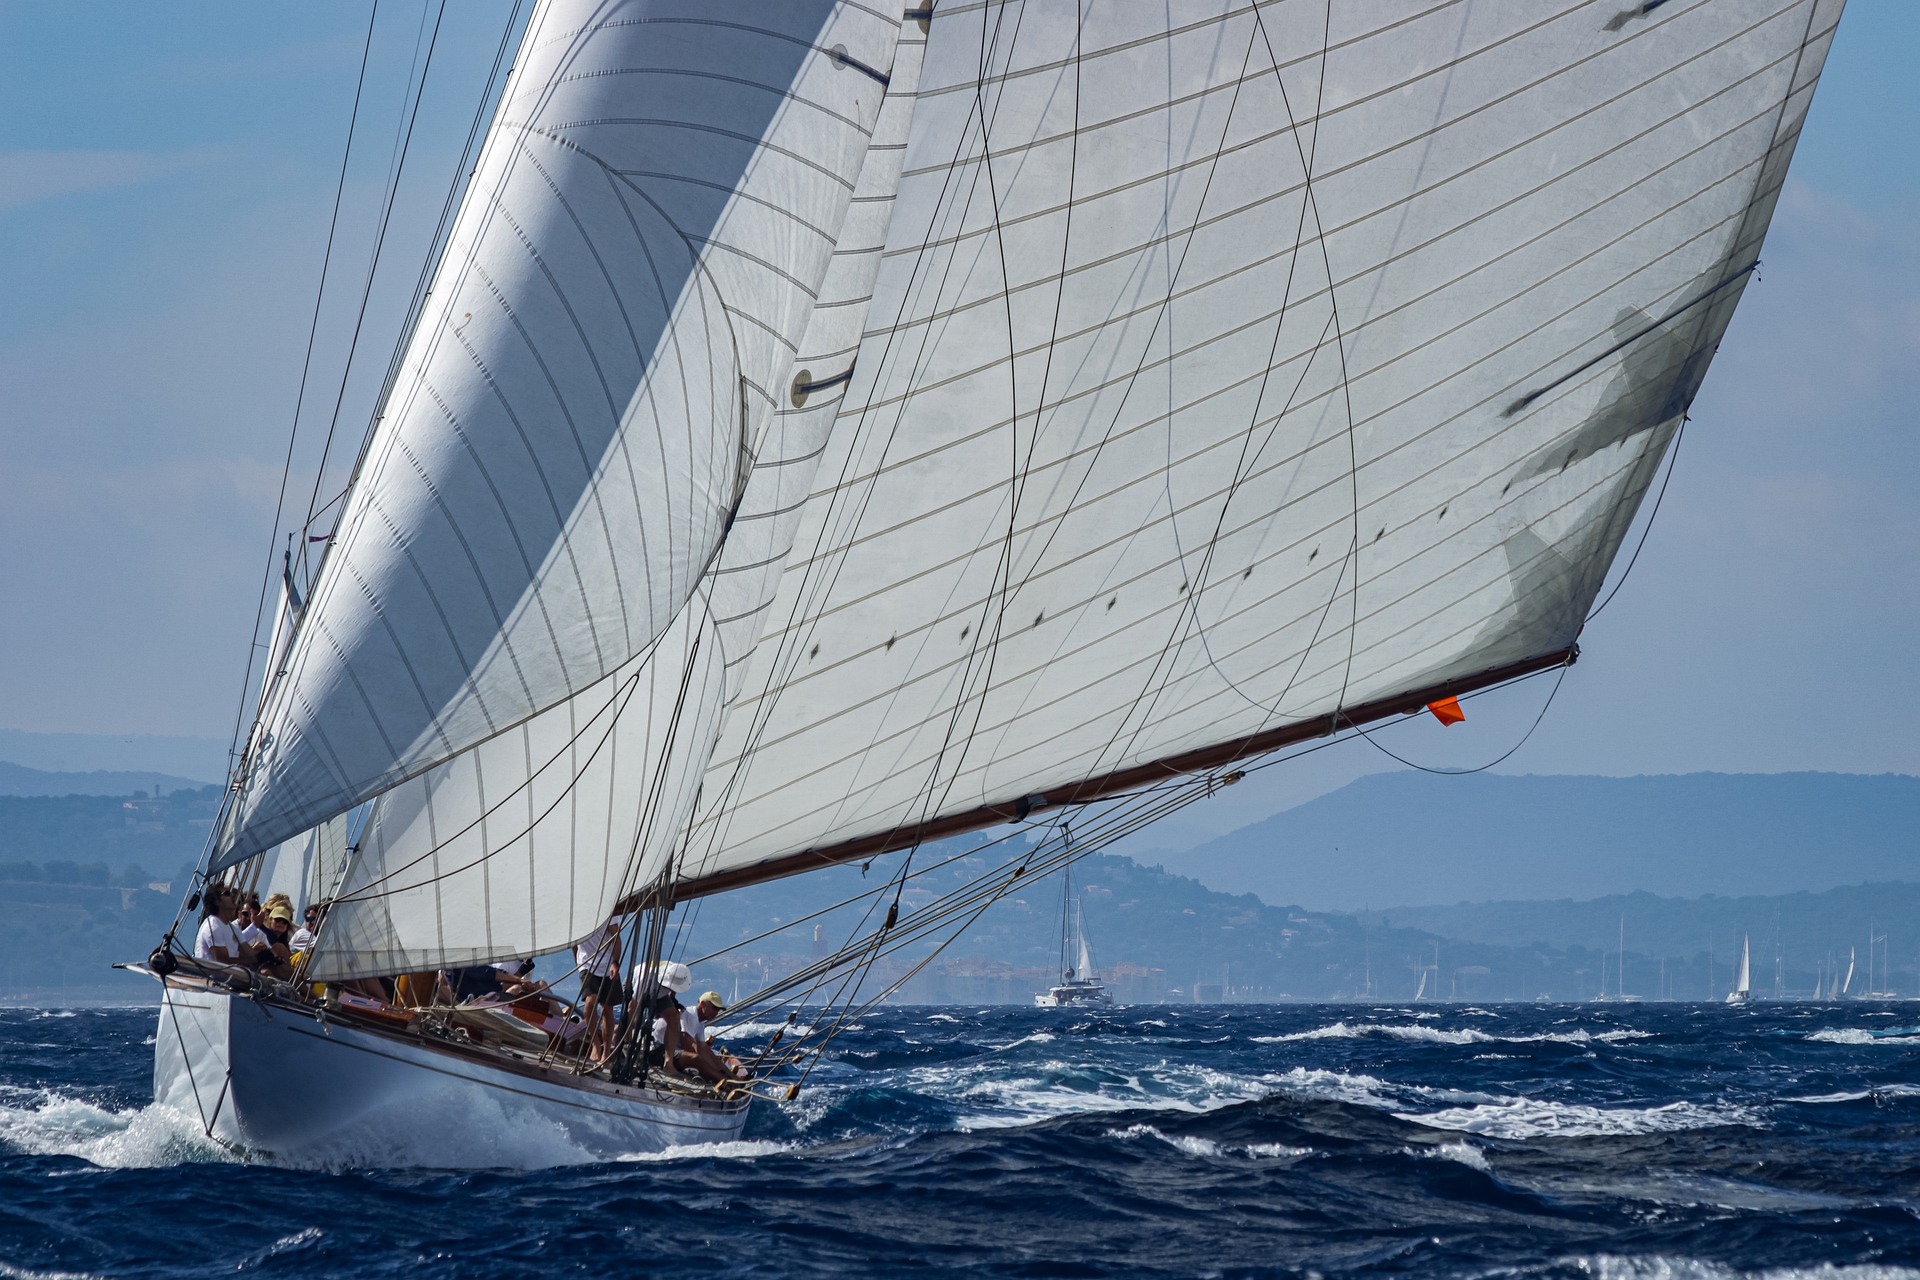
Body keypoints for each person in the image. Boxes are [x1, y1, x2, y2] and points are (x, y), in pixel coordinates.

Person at [575, 916, 625, 1064]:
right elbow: (573, 942)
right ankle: (595, 1043)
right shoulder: (578, 915)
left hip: (607, 964)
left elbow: (616, 938)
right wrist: (578, 962)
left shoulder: (609, 914)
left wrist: (615, 962)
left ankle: (606, 1052)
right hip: (586, 964)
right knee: (590, 1001)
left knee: (607, 1008)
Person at [193, 883, 260, 967]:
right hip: (210, 974)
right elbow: (223, 960)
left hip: (230, 973)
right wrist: (252, 960)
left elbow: (248, 952)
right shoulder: (213, 926)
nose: (232, 895)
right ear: (217, 901)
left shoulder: (233, 928)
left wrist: (262, 956)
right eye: (227, 893)